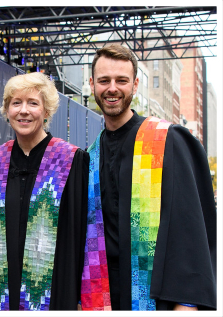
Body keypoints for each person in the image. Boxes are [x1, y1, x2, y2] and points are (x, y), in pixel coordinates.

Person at [80, 44, 216, 311]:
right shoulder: (90, 155)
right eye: (104, 80)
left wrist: (187, 304)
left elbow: (189, 229)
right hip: (102, 296)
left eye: (122, 80)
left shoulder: (166, 141)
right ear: (92, 83)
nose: (112, 89)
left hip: (158, 298)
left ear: (135, 84)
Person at [0, 72, 89, 311]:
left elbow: (83, 237)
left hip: (55, 295)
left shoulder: (71, 161)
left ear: (46, 111)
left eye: (33, 103)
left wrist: (80, 299)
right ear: (7, 111)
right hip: (0, 295)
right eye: (16, 103)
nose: (24, 111)